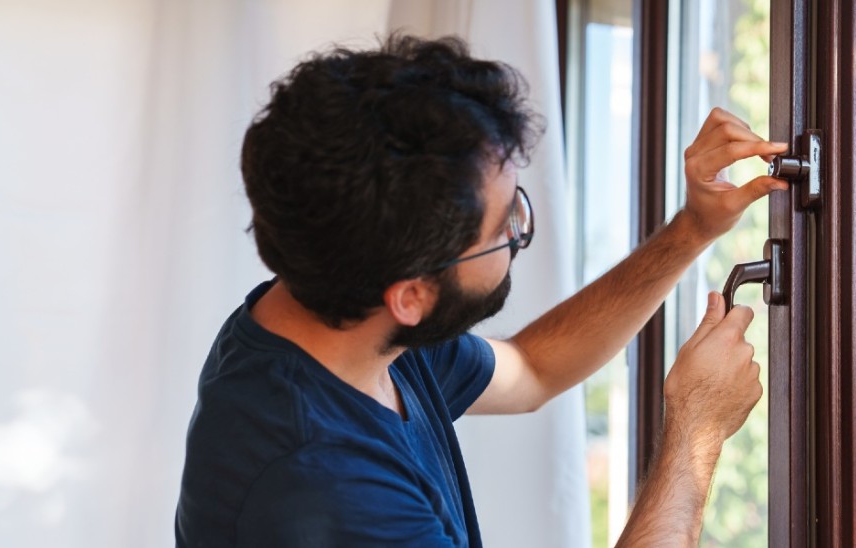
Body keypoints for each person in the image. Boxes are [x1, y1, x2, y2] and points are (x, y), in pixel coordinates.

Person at [174, 34, 790, 547]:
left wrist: (693, 229)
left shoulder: (343, 319)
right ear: (410, 295)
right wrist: (696, 430)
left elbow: (533, 368)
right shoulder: (327, 485)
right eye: (505, 229)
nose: (521, 230)